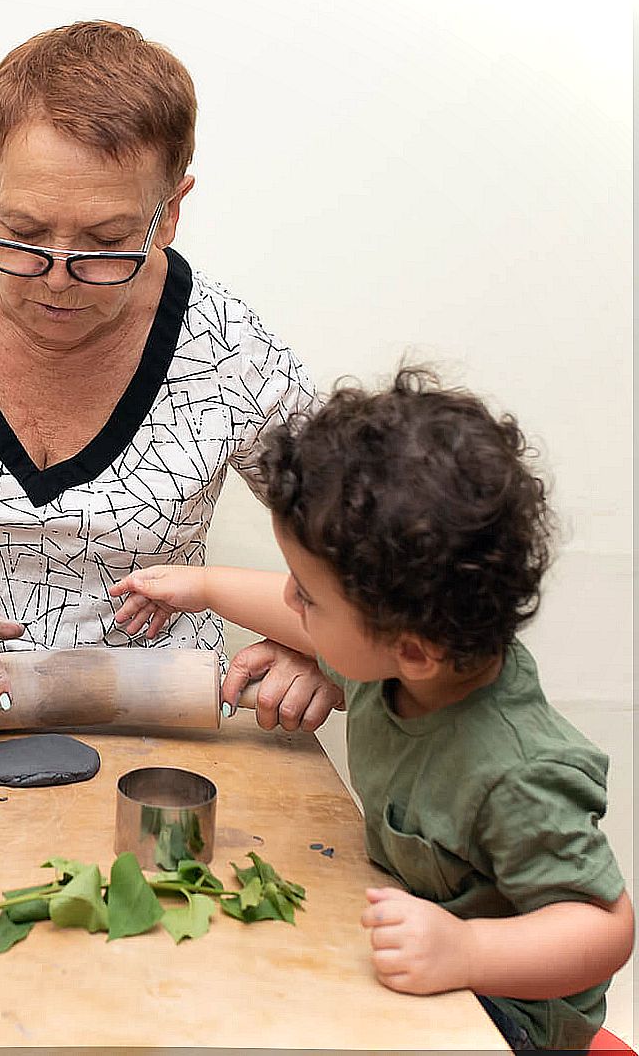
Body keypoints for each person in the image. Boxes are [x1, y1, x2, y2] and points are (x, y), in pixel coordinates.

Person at [0, 21, 341, 746]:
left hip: (156, 723)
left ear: (171, 211)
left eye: (105, 242)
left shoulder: (228, 350)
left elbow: (375, 548)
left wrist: (321, 649)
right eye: (21, 231)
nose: (56, 276)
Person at [111, 369, 633, 1052]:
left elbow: (604, 927)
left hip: (503, 1015)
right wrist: (203, 587)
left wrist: (467, 951)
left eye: (309, 596)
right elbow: (297, 619)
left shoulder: (520, 771)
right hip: (413, 947)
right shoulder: (396, 660)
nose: (290, 605)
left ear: (410, 648)